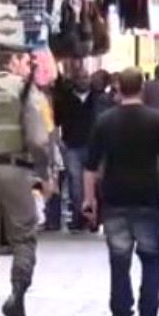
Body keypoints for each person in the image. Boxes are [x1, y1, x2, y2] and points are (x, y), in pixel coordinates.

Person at [82, 68, 159, 316]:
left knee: (119, 264)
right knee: (152, 261)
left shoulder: (105, 121)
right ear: (141, 87)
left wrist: (89, 199)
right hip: (148, 199)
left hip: (115, 200)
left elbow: (90, 166)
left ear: (118, 87)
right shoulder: (157, 121)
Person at [0, 44, 52, 316]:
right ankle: (16, 295)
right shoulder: (24, 89)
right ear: (13, 60)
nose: (29, 67)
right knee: (24, 236)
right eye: (26, 60)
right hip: (15, 170)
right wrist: (43, 174)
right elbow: (38, 140)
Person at [53, 66, 100, 232]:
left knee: (94, 184)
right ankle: (79, 218)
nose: (83, 80)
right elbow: (55, 122)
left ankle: (93, 218)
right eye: (80, 78)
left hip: (94, 147)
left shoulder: (97, 98)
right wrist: (58, 141)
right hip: (72, 146)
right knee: (75, 184)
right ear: (74, 80)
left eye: (86, 77)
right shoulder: (66, 99)